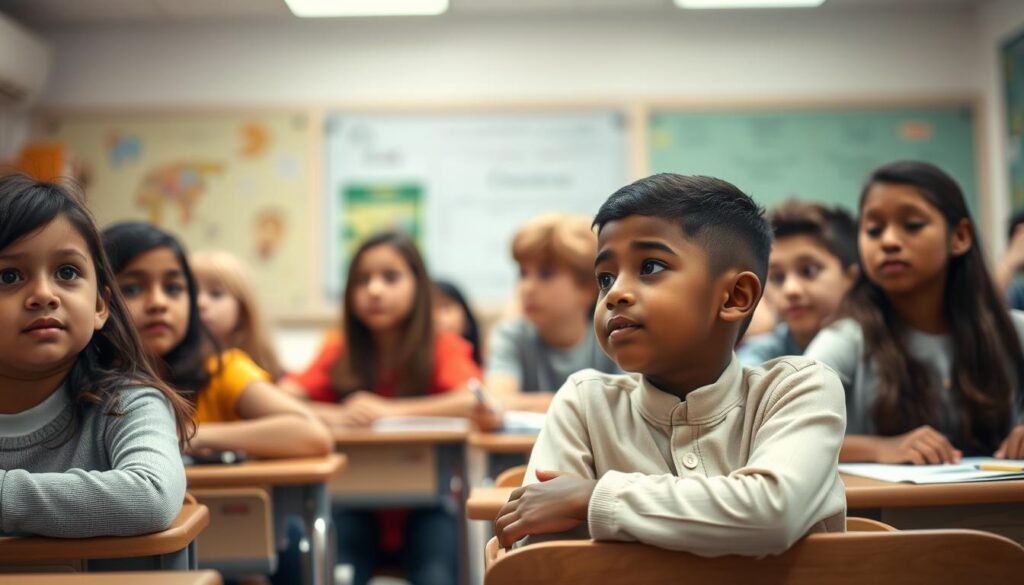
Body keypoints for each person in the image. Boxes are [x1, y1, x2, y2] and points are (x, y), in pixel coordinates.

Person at [495, 173, 846, 555]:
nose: (616, 294)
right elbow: (541, 559)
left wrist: (593, 497)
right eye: (605, 278)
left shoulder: (799, 388)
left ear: (734, 296)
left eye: (650, 267)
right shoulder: (584, 404)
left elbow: (771, 514)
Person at [0, 174, 191, 537]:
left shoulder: (127, 403)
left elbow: (151, 495)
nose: (43, 294)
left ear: (101, 304)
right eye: (9, 276)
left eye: (66, 272)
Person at [806, 161, 1024, 463]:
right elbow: (787, 430)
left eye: (912, 225)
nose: (889, 241)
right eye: (873, 229)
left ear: (960, 236)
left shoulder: (1014, 332)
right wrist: (880, 449)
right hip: (885, 510)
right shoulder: (847, 338)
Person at [103, 223, 331, 459]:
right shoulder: (83, 386)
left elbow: (313, 435)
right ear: (99, 301)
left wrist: (190, 434)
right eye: (131, 289)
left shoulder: (222, 371)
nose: (159, 303)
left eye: (173, 288)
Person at [738, 199, 858, 365]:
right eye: (777, 278)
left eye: (808, 271)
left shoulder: (875, 345)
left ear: (850, 277)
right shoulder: (762, 350)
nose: (790, 290)